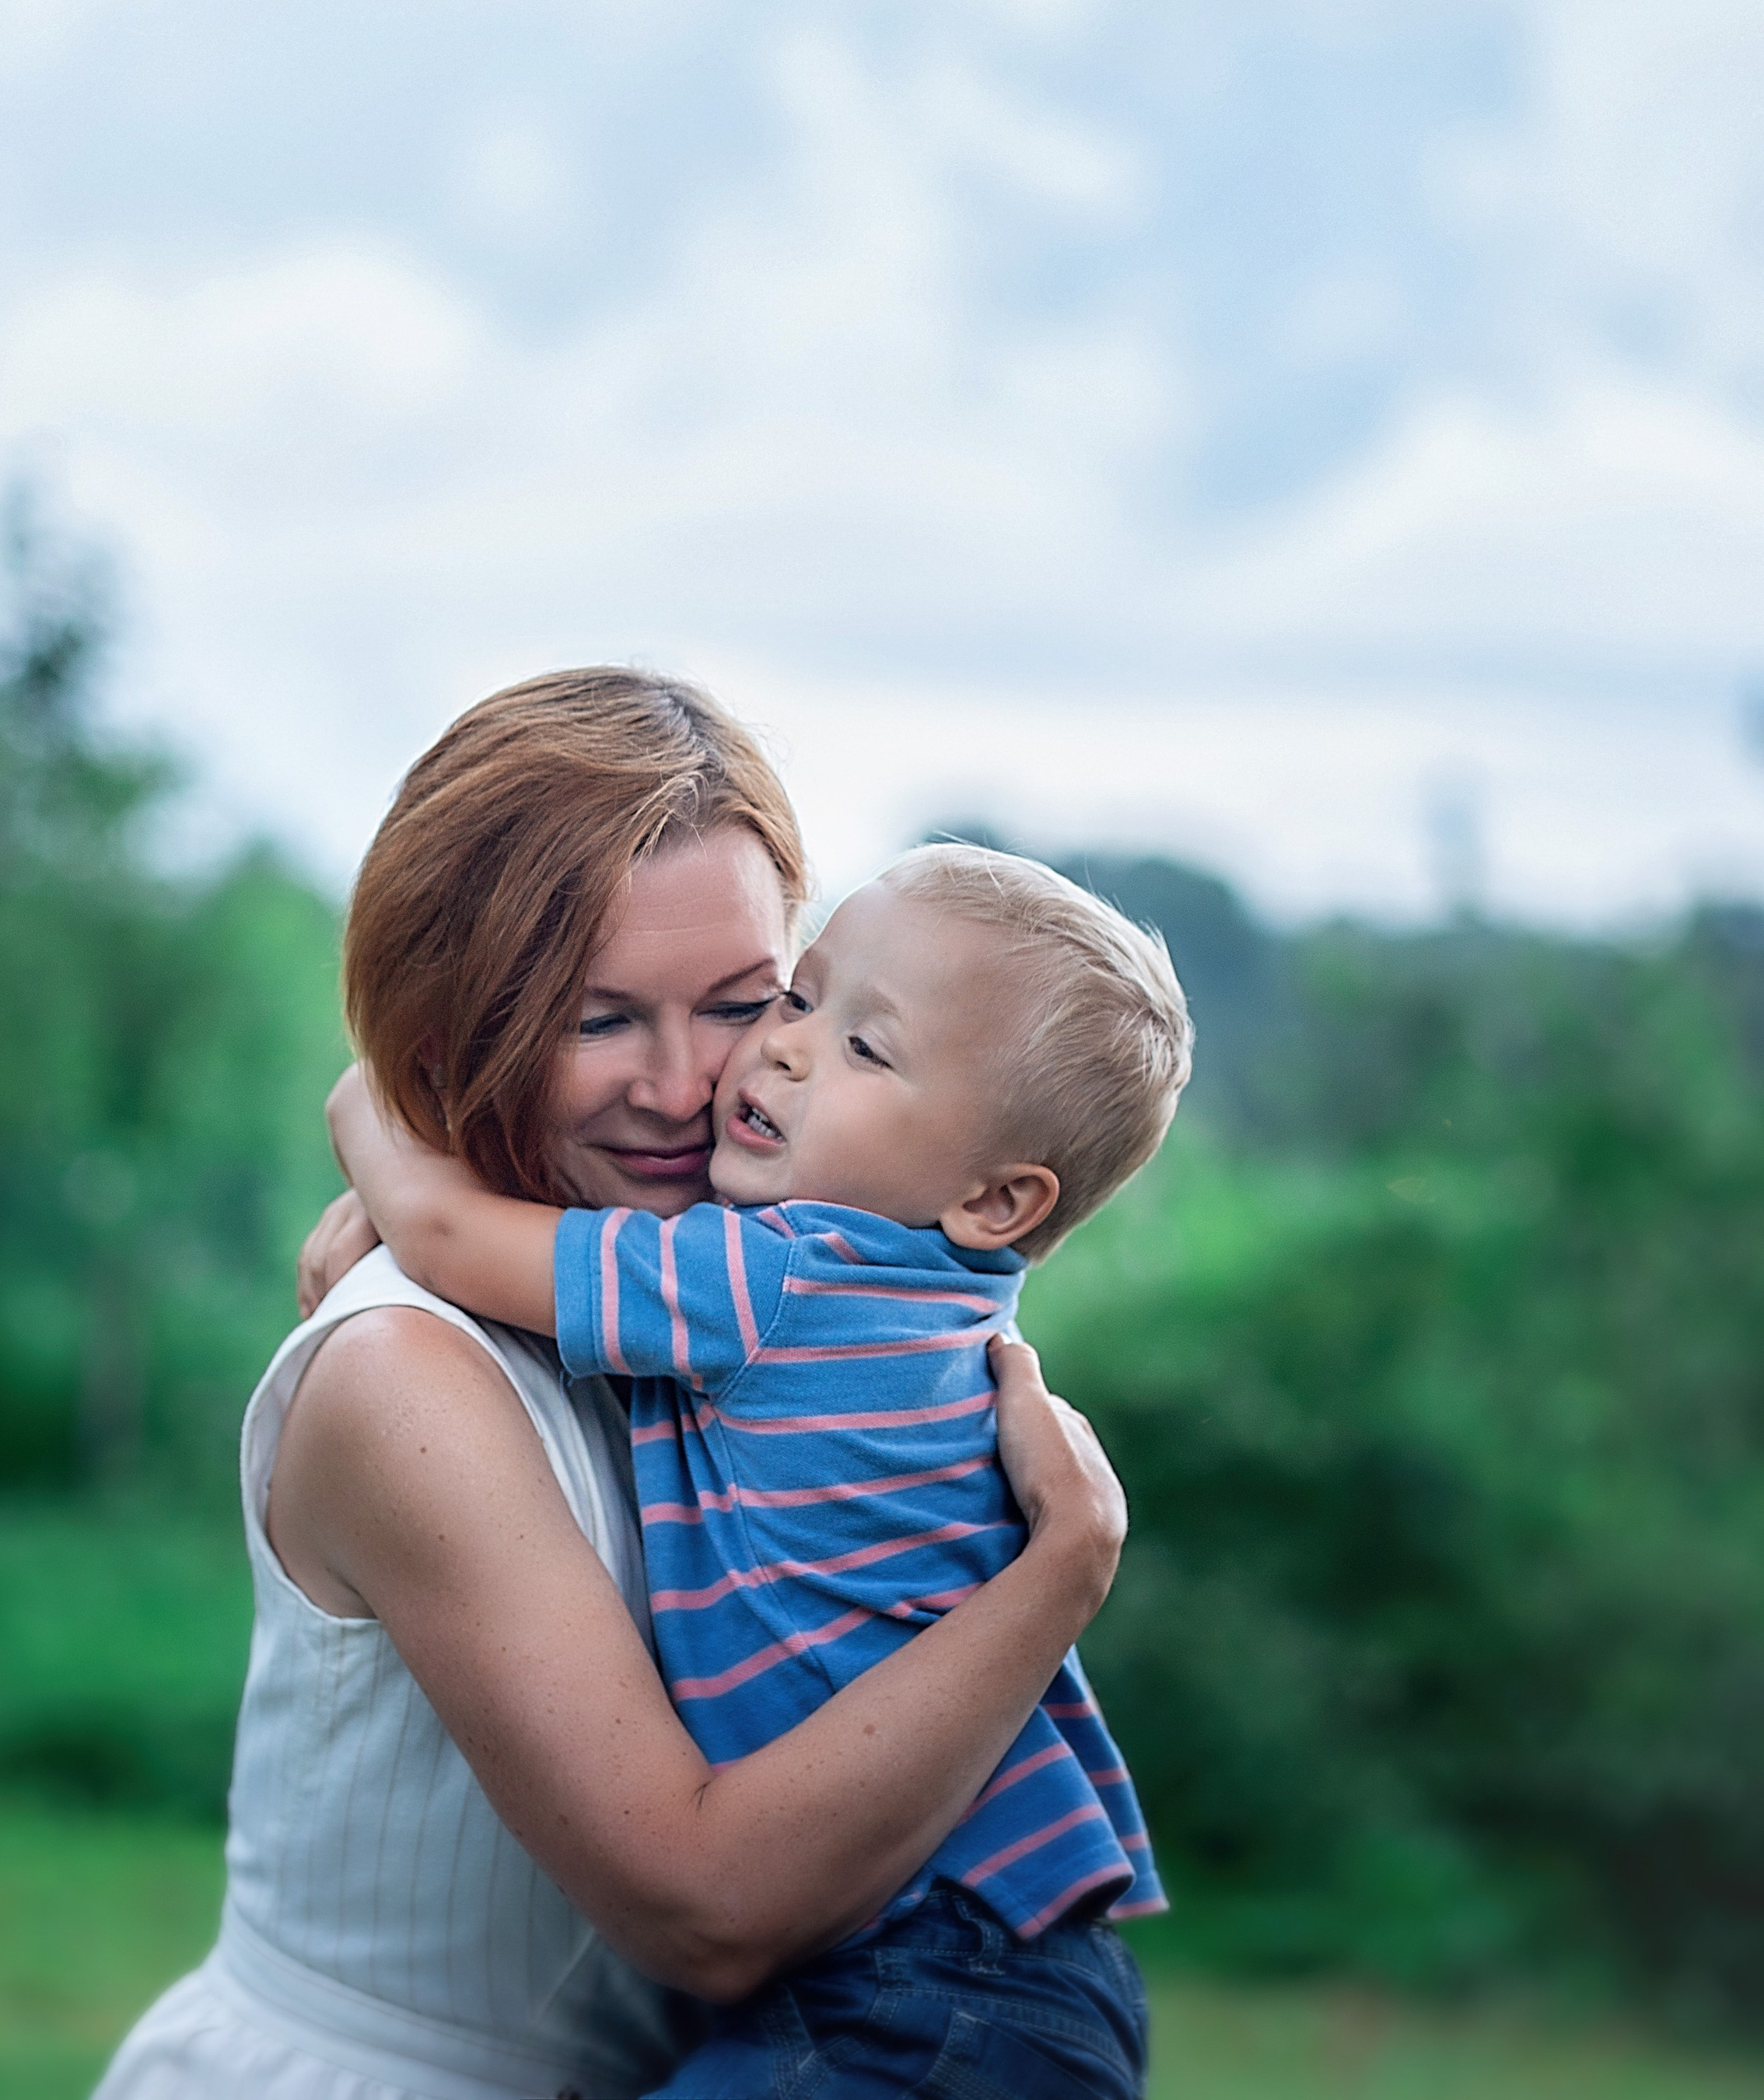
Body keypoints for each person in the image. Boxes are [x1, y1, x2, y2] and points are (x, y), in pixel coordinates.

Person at [95, 670, 1136, 2100]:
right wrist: (1066, 1564)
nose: (687, 1084)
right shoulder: (413, 1364)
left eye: (745, 1002)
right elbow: (707, 1906)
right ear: (453, 1030)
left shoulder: (721, 1297)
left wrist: (398, 1169)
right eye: (600, 1022)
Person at [331, 835, 1190, 2099]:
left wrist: (370, 1106)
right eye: (800, 993)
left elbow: (448, 1230)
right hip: (1007, 1967)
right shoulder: (939, 1304)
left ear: (1000, 1202)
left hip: (924, 1981)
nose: (782, 1046)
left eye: (866, 1046)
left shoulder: (777, 1279)